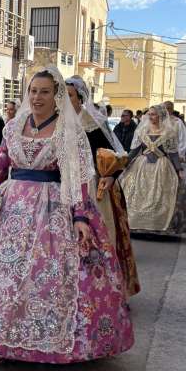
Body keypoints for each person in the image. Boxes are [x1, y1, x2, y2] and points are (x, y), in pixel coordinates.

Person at [0, 66, 134, 364]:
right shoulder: (13, 127)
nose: (37, 97)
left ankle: (40, 339)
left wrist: (80, 217)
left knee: (44, 272)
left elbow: (77, 179)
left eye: (44, 91)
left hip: (52, 207)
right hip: (8, 206)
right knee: (2, 273)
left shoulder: (68, 131)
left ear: (56, 95)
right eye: (33, 91)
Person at [66, 77, 140, 299]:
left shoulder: (92, 123)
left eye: (69, 96)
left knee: (98, 236)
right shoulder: (56, 121)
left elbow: (116, 154)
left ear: (80, 98)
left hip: (91, 184)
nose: (65, 100)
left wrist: (110, 176)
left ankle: (101, 290)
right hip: (62, 184)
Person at [120, 104, 186, 235]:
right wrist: (123, 163)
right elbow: (134, 151)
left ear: (160, 116)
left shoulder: (168, 132)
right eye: (149, 114)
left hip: (162, 167)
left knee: (163, 196)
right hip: (141, 167)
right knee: (136, 194)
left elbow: (173, 153)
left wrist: (179, 169)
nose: (150, 116)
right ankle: (137, 224)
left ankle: (157, 226)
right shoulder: (142, 131)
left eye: (153, 114)